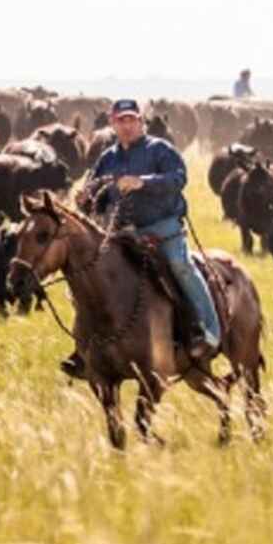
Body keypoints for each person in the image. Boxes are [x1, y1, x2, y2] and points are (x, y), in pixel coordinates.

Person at [64, 98, 220, 376]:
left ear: (140, 121)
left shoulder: (160, 150)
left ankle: (207, 331)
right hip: (122, 234)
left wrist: (142, 182)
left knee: (180, 268)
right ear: (112, 123)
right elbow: (96, 194)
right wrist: (85, 197)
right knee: (93, 278)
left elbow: (178, 179)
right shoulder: (108, 158)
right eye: (120, 120)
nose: (126, 125)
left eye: (131, 120)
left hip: (162, 229)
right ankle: (85, 348)